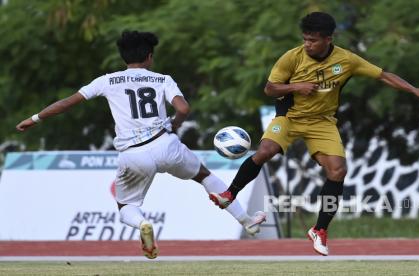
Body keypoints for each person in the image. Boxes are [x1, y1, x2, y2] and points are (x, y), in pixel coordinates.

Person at [16, 30, 266, 260]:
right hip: (166, 144)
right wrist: (176, 124)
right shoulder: (162, 79)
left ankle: (142, 224)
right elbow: (183, 108)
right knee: (204, 177)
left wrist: (34, 119)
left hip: (133, 155)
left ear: (123, 57)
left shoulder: (107, 80)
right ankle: (247, 222)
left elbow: (67, 102)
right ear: (149, 56)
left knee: (127, 206)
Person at [209, 12, 419, 256]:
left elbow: (383, 75)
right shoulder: (292, 57)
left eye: (312, 40)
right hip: (289, 118)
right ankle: (229, 194)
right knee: (265, 151)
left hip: (322, 122)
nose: (307, 44)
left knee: (338, 170)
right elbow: (270, 88)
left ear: (328, 39)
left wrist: (414, 90)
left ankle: (319, 229)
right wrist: (296, 86)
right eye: (305, 39)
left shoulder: (347, 60)